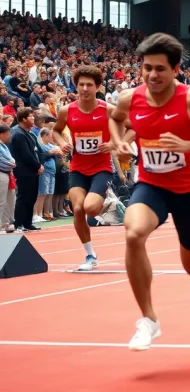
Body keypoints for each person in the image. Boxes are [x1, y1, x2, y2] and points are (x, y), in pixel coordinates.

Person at [108, 33, 190, 351]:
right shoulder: (129, 98)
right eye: (146, 68)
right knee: (133, 233)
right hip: (151, 185)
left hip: (188, 190)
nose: (152, 75)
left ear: (176, 69)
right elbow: (114, 120)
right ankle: (149, 321)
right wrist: (119, 141)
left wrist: (189, 145)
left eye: (160, 69)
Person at [51, 65, 115, 271]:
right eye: (81, 84)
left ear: (97, 87)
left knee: (89, 208)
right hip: (78, 166)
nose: (85, 88)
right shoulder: (66, 110)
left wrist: (114, 143)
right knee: (78, 209)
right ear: (76, 86)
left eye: (89, 85)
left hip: (101, 166)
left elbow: (130, 129)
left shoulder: (108, 110)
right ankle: (90, 256)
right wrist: (62, 143)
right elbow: (56, 131)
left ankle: (105, 198)